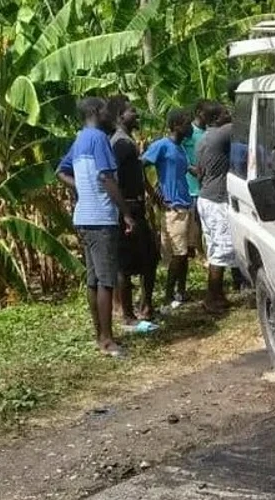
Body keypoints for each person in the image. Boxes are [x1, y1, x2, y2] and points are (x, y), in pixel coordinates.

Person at [57, 97, 135, 358]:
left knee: (93, 280)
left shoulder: (79, 140)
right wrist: (126, 213)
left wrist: (82, 188)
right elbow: (107, 178)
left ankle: (99, 335)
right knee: (106, 281)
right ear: (94, 112)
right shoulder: (99, 138)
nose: (108, 113)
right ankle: (107, 340)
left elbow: (61, 171)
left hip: (83, 218)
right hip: (101, 218)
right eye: (104, 109)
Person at [107, 94, 160, 325]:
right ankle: (128, 313)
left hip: (135, 205)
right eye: (131, 111)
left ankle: (144, 306)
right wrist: (125, 211)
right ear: (120, 116)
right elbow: (112, 178)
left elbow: (136, 174)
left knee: (149, 257)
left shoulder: (127, 141)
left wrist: (150, 193)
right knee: (126, 264)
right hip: (127, 208)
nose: (136, 114)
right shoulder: (120, 143)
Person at [142, 109, 195, 309]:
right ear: (176, 126)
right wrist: (154, 193)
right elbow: (141, 165)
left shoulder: (180, 148)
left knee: (186, 253)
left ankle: (181, 291)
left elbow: (183, 170)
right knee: (178, 254)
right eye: (187, 123)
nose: (190, 127)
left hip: (185, 205)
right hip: (173, 208)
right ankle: (168, 294)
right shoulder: (162, 146)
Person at [195, 104, 237, 312]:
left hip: (206, 197)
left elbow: (200, 171)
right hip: (217, 199)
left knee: (214, 247)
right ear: (217, 118)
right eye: (225, 113)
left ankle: (217, 295)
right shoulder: (223, 133)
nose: (229, 115)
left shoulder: (204, 137)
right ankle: (212, 297)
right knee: (222, 249)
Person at [184, 100, 218, 261]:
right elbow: (179, 152)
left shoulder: (210, 132)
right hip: (193, 183)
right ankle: (199, 252)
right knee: (196, 219)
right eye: (207, 114)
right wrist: (190, 169)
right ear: (199, 113)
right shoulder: (188, 132)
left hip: (208, 181)